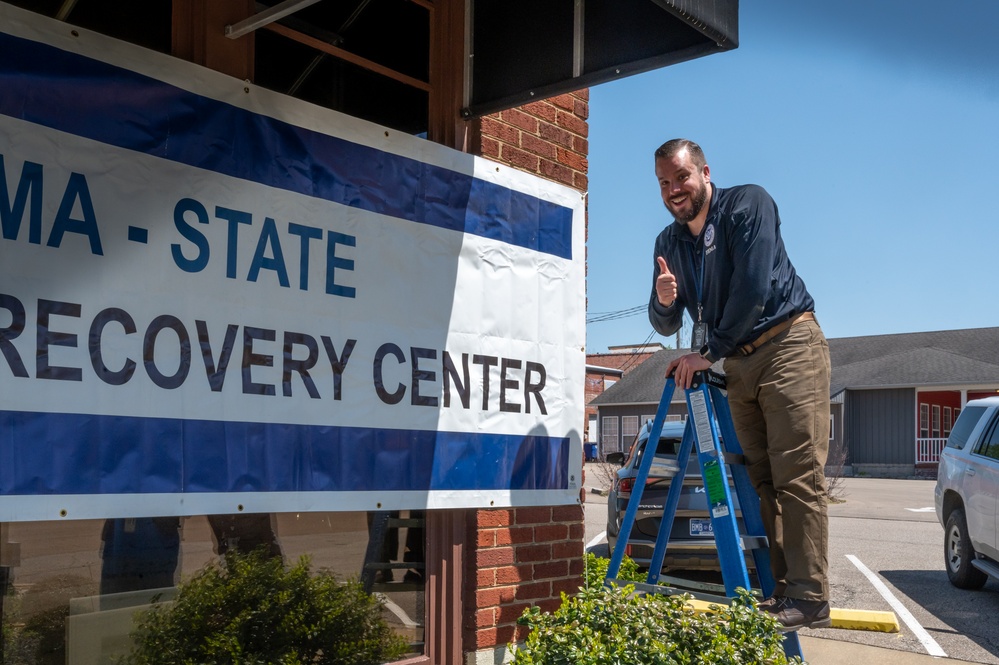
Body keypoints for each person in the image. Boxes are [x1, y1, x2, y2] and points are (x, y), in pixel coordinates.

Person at [648, 138, 832, 631]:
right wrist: (666, 301)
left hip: (787, 342)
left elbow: (751, 290)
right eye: (664, 182)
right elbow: (664, 323)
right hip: (738, 363)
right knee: (760, 481)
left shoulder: (748, 204)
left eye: (681, 177)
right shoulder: (668, 243)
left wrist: (704, 355)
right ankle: (779, 593)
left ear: (705, 172)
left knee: (797, 477)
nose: (673, 190)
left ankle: (812, 598)